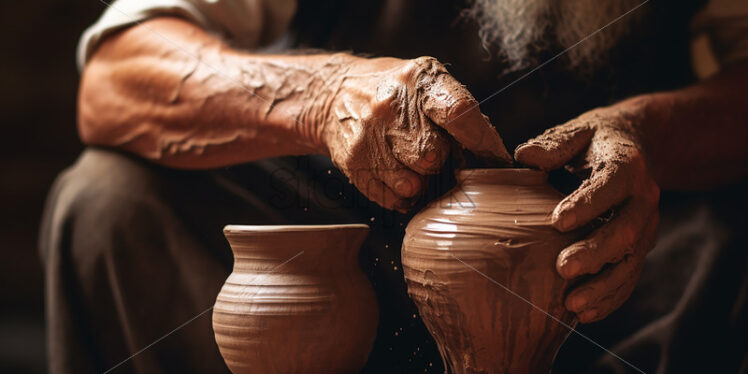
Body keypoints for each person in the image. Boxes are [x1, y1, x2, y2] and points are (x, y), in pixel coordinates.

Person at [40, 0, 748, 373]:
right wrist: (319, 94)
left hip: (602, 263)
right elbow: (114, 80)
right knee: (109, 201)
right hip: (350, 239)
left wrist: (650, 134)